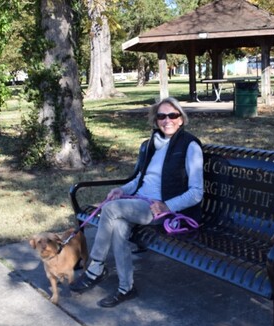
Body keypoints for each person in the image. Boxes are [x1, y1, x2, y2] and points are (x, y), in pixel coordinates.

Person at [70, 97, 204, 307]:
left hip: (160, 209)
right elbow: (141, 178)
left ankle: (95, 267)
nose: (167, 120)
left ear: (181, 119)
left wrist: (167, 206)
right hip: (139, 202)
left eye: (172, 115)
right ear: (155, 120)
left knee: (112, 210)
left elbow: (197, 193)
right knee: (119, 225)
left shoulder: (190, 146)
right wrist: (122, 189)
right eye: (161, 116)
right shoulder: (154, 144)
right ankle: (126, 288)